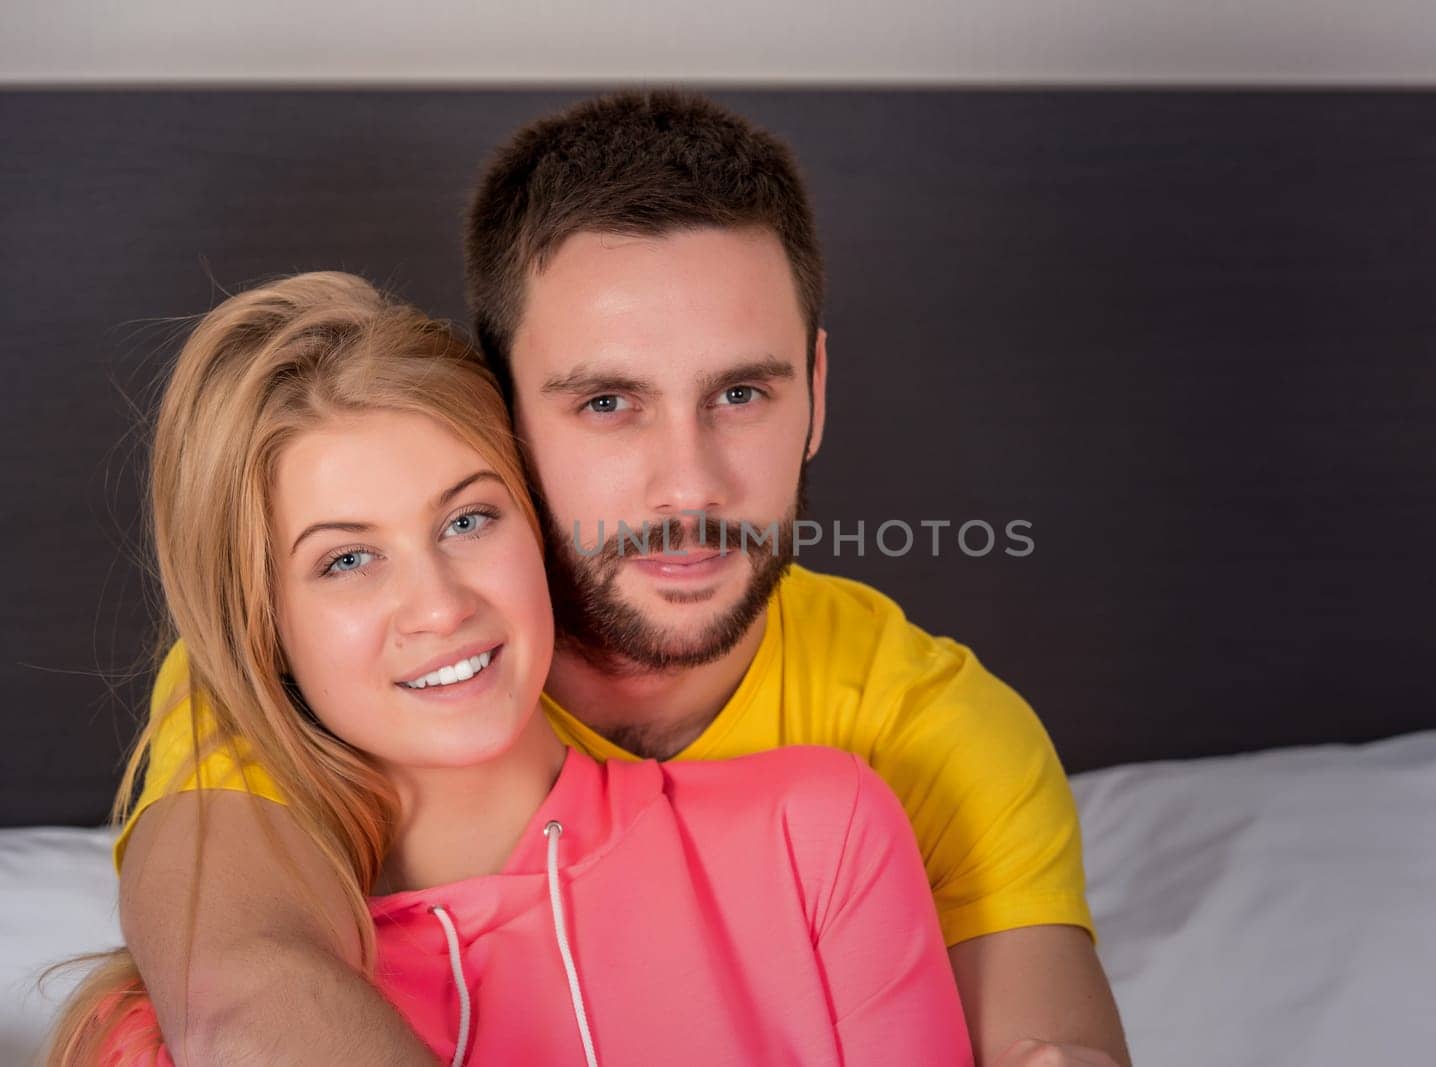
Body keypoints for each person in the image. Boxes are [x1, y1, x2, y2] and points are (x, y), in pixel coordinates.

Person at [115, 92, 1131, 1066]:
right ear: (502, 410)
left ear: (814, 394)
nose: (687, 482)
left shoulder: (937, 734)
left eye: (740, 392)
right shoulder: (321, 680)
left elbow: (1052, 1043)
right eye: (607, 402)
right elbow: (245, 993)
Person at [49, 272, 973, 1066]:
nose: (442, 606)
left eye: (467, 520)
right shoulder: (167, 1030)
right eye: (346, 560)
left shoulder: (819, 836)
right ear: (263, 628)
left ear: (540, 525)